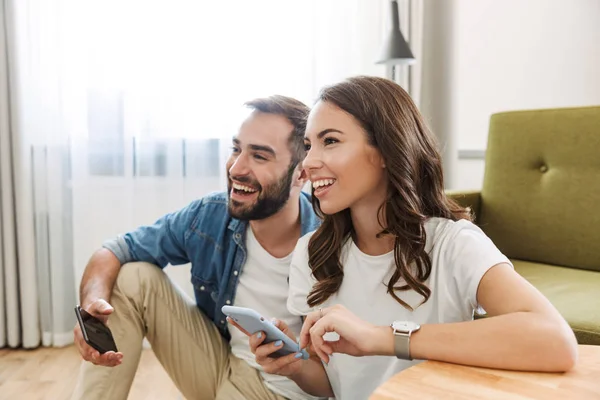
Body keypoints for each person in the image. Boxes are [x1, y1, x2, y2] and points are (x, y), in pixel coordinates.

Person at [242, 76, 578, 400]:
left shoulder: (453, 243)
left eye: (330, 141)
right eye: (307, 145)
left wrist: (382, 338)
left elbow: (555, 341)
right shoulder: (312, 254)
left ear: (387, 150)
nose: (309, 163)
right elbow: (332, 383)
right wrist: (295, 367)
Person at [71, 95, 324, 400]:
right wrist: (91, 306)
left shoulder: (329, 242)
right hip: (221, 364)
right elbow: (114, 250)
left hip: (285, 389)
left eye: (259, 156)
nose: (236, 168)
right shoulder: (209, 215)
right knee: (133, 277)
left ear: (302, 174)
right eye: (236, 149)